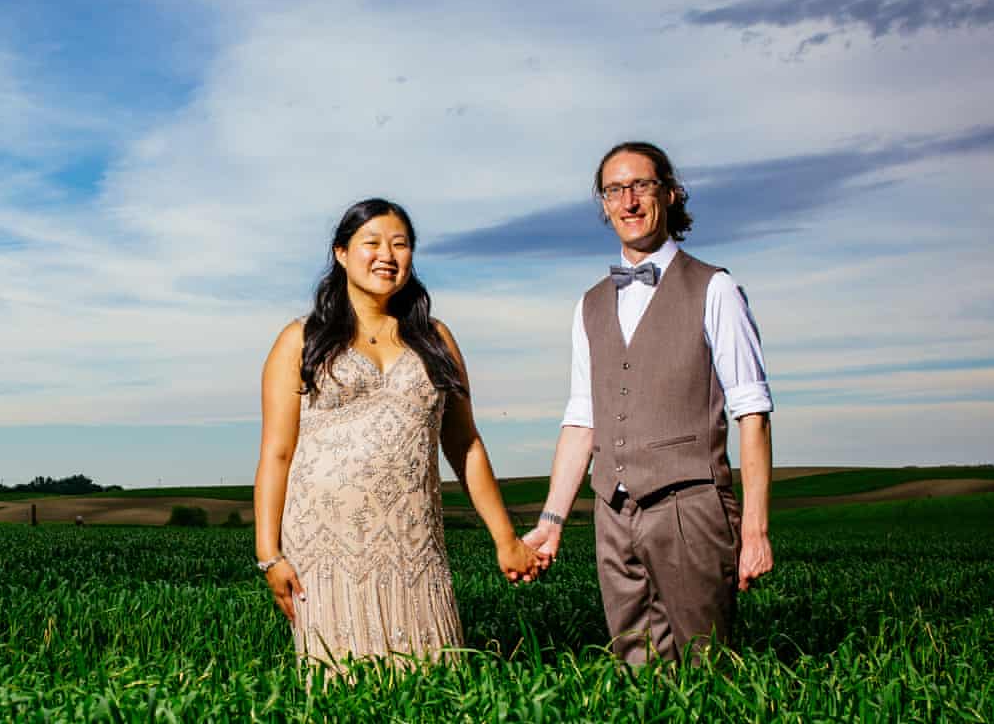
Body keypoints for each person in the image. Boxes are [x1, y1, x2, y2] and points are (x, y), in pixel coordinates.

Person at [254, 197, 540, 668]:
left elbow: (464, 444)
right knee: (341, 690)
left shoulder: (435, 338)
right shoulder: (300, 339)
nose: (387, 255)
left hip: (414, 542)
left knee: (434, 684)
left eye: (400, 244)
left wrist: (505, 539)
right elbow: (277, 453)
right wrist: (270, 554)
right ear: (341, 253)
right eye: (372, 243)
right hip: (326, 551)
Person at [523, 142, 774, 664]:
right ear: (605, 203)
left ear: (671, 193)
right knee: (634, 670)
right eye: (615, 190)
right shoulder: (590, 303)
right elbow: (581, 420)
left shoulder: (716, 288)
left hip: (691, 506)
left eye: (641, 185)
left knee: (708, 669)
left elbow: (751, 413)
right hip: (612, 513)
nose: (629, 201)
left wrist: (755, 532)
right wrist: (551, 521)